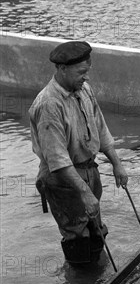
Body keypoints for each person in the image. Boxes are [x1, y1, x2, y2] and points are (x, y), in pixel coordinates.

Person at [29, 40, 128, 265]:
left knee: (96, 228)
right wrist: (84, 192)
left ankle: (96, 279)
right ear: (62, 69)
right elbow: (58, 160)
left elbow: (100, 129)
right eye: (81, 72)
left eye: (87, 71)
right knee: (77, 235)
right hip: (62, 178)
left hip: (88, 168)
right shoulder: (48, 105)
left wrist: (116, 164)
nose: (86, 77)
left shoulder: (83, 89)